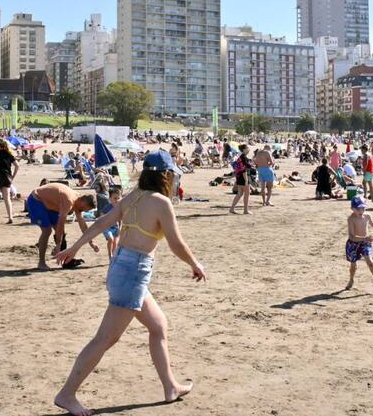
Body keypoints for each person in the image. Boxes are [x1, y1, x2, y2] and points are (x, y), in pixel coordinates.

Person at [53, 151, 205, 416]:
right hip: (132, 271)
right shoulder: (160, 202)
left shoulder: (135, 195)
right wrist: (195, 264)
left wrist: (75, 247)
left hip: (122, 267)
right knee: (105, 338)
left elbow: (103, 221)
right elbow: (176, 243)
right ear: (166, 175)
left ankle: (170, 386)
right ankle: (67, 394)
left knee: (158, 326)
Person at [25, 182, 99, 270]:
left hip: (51, 204)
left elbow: (82, 224)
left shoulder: (78, 201)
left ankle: (66, 261)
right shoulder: (69, 201)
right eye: (83, 209)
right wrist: (58, 244)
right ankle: (41, 263)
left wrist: (91, 242)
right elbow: (61, 223)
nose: (82, 211)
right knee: (47, 231)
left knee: (61, 233)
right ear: (82, 201)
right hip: (36, 200)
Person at [345, 196, 373, 291]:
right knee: (353, 265)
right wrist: (365, 238)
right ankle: (351, 279)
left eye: (363, 208)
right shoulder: (351, 219)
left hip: (365, 243)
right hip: (353, 244)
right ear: (352, 208)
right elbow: (351, 236)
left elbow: (370, 222)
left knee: (370, 262)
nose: (361, 211)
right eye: (358, 209)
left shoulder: (367, 216)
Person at [0, 139, 18, 224]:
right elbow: (17, 166)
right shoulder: (9, 153)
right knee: (7, 198)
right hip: (7, 177)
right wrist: (12, 177)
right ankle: (10, 217)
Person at [228, 144, 254, 215]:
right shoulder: (243, 158)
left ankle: (232, 208)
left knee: (240, 194)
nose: (249, 149)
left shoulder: (241, 157)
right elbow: (243, 170)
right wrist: (246, 180)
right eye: (247, 148)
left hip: (239, 177)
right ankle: (245, 210)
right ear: (244, 150)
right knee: (246, 194)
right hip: (243, 177)